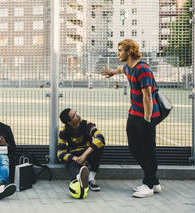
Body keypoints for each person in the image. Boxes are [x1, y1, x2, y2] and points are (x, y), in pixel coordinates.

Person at [102, 39, 161, 198]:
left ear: (129, 52)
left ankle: (148, 185)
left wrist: (147, 119)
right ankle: (154, 182)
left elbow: (147, 95)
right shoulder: (129, 67)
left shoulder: (143, 69)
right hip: (134, 114)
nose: (118, 53)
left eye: (121, 50)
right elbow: (122, 69)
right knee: (134, 148)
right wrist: (114, 72)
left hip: (146, 116)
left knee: (148, 150)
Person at [57, 108, 105, 192]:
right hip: (74, 155)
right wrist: (75, 158)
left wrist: (84, 156)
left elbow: (100, 138)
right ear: (69, 122)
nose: (78, 116)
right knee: (71, 163)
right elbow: (60, 153)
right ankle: (78, 179)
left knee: (99, 146)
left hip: (87, 153)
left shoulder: (87, 124)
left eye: (76, 113)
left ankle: (91, 178)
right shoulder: (64, 131)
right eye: (74, 116)